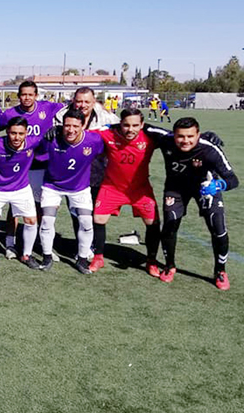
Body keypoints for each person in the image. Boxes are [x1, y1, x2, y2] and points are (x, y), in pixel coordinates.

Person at [146, 118, 238, 290]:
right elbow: (140, 126)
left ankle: (220, 271)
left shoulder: (209, 150)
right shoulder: (165, 138)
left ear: (198, 135)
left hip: (205, 189)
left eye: (190, 136)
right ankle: (170, 265)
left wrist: (218, 185)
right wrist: (108, 126)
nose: (185, 140)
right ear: (174, 135)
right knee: (170, 225)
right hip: (176, 189)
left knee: (218, 227)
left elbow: (233, 179)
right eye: (180, 136)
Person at [0, 81, 63, 258]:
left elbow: (71, 111)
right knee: (14, 205)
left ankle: (42, 243)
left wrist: (58, 127)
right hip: (18, 165)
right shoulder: (11, 113)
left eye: (30, 94)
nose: (27, 98)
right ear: (18, 96)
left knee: (42, 206)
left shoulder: (48, 108)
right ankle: (10, 243)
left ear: (36, 95)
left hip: (43, 164)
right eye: (23, 95)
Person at [92, 109, 160, 274]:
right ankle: (98, 257)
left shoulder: (151, 138)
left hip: (140, 189)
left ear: (142, 125)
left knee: (153, 222)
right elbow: (83, 133)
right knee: (98, 218)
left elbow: (175, 138)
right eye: (126, 125)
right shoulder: (108, 134)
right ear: (119, 124)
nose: (131, 129)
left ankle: (151, 261)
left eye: (135, 125)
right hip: (112, 187)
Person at [38, 109, 105, 273]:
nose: (71, 130)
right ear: (62, 125)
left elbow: (108, 149)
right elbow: (38, 154)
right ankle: (47, 257)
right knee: (46, 220)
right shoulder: (52, 139)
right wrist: (44, 139)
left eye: (75, 126)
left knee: (86, 223)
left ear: (83, 126)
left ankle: (82, 259)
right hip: (52, 186)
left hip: (79, 188)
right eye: (67, 125)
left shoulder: (94, 140)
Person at [0, 117, 42, 270]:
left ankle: (27, 254)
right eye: (13, 133)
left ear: (26, 133)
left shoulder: (33, 142)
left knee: (30, 220)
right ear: (7, 132)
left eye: (21, 134)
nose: (17, 137)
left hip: (21, 188)